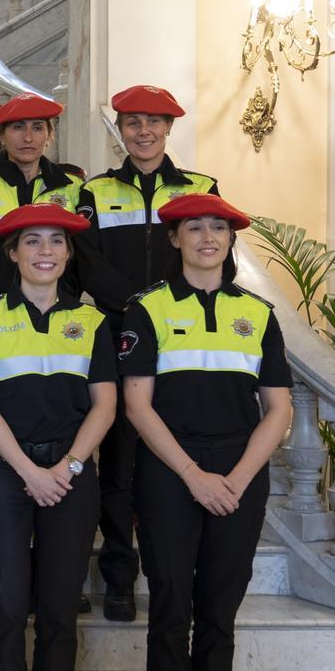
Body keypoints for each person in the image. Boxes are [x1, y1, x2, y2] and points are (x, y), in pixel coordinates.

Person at [120, 193, 292, 671]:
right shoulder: (147, 309)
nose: (208, 237)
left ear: (231, 239)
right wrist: (193, 475)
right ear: (175, 239)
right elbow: (137, 405)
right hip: (169, 469)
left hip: (242, 467)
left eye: (218, 228)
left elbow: (277, 410)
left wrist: (235, 480)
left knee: (221, 609)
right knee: (170, 609)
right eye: (194, 228)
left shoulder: (258, 314)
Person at [74, 84, 219, 622]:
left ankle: (175, 570)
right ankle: (117, 577)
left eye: (154, 122)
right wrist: (140, 308)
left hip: (182, 341)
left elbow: (211, 256)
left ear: (169, 128)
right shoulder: (95, 191)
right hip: (116, 339)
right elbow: (86, 264)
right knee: (117, 464)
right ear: (120, 128)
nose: (143, 131)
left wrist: (161, 309)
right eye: (133, 122)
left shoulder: (201, 188)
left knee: (175, 454)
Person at [0, 203, 117, 670]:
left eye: (55, 241)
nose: (44, 251)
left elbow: (106, 405)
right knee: (6, 606)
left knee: (60, 606)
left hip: (70, 474)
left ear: (69, 254)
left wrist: (67, 467)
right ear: (12, 253)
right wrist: (31, 472)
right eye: (31, 241)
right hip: (3, 475)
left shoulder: (93, 323)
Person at [0, 93, 83, 298]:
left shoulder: (73, 185)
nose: (28, 137)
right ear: (1, 136)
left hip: (57, 308)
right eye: (18, 127)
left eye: (37, 128)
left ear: (49, 136)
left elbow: (81, 256)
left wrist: (68, 296)